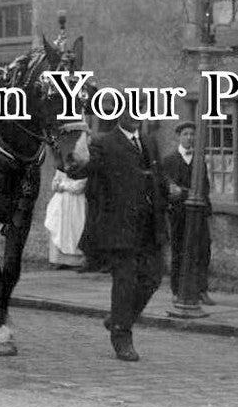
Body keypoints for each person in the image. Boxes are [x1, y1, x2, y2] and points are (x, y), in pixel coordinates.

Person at [64, 112, 170, 361]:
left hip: (149, 225)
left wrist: (168, 189)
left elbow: (157, 175)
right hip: (119, 227)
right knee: (125, 281)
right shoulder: (104, 143)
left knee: (153, 277)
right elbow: (81, 170)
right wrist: (76, 154)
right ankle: (122, 337)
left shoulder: (148, 142)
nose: (135, 116)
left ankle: (118, 318)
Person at [161, 121, 215, 306]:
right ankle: (177, 290)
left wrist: (205, 209)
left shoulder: (199, 161)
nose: (189, 138)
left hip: (198, 213)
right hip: (178, 214)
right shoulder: (169, 160)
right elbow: (167, 188)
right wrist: (176, 193)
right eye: (186, 134)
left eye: (192, 134)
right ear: (179, 137)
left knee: (202, 251)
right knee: (179, 251)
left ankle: (201, 290)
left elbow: (204, 188)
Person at [44, 128, 89, 269]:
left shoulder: (84, 168)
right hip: (61, 201)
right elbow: (55, 184)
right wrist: (59, 185)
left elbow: (79, 186)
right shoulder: (62, 167)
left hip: (76, 202)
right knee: (58, 225)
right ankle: (58, 259)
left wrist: (63, 185)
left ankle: (74, 261)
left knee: (75, 228)